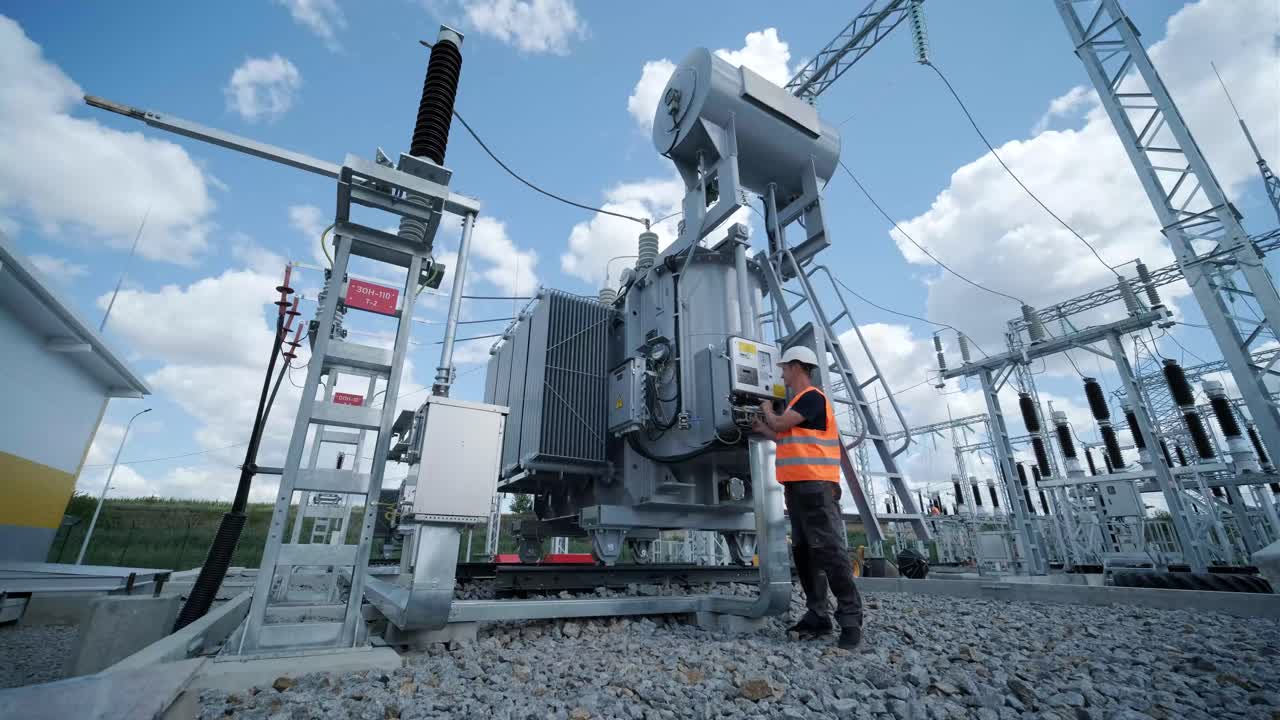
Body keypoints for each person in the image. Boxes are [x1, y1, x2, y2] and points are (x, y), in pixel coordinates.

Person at [751, 345, 864, 650]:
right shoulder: (798, 404)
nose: (782, 374)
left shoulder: (811, 398)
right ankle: (818, 615)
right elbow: (783, 435)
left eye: (785, 368)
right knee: (804, 553)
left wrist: (765, 408)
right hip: (798, 487)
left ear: (797, 367)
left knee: (829, 551)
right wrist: (763, 427)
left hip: (816, 486)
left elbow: (779, 423)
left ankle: (850, 620)